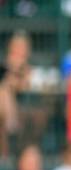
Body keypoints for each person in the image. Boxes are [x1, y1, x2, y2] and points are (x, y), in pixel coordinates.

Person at [0, 30, 31, 159]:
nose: (20, 50)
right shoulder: (3, 64)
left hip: (24, 103)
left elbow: (23, 86)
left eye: (22, 47)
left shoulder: (28, 67)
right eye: (17, 46)